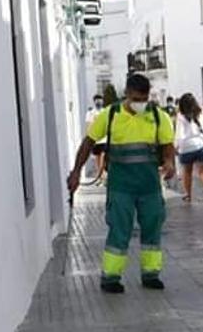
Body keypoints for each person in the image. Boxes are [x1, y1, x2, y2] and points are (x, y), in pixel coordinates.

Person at [67, 73, 176, 294]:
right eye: (136, 99)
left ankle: (151, 273)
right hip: (121, 187)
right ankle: (111, 277)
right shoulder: (110, 115)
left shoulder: (158, 116)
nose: (140, 104)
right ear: (126, 94)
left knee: (152, 229)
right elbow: (88, 143)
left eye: (144, 99)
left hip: (150, 187)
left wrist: (169, 162)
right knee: (119, 230)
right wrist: (76, 171)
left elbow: (167, 145)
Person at [174, 93, 203, 203]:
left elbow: (179, 134)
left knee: (187, 172)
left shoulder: (180, 115)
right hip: (202, 146)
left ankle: (188, 194)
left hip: (186, 147)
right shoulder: (202, 113)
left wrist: (176, 146)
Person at [84, 95, 107, 184]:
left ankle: (102, 174)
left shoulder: (104, 111)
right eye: (97, 101)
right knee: (97, 158)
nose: (99, 103)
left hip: (104, 138)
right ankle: (100, 176)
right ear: (94, 102)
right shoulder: (90, 113)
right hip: (95, 139)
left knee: (103, 156)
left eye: (100, 101)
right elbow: (88, 125)